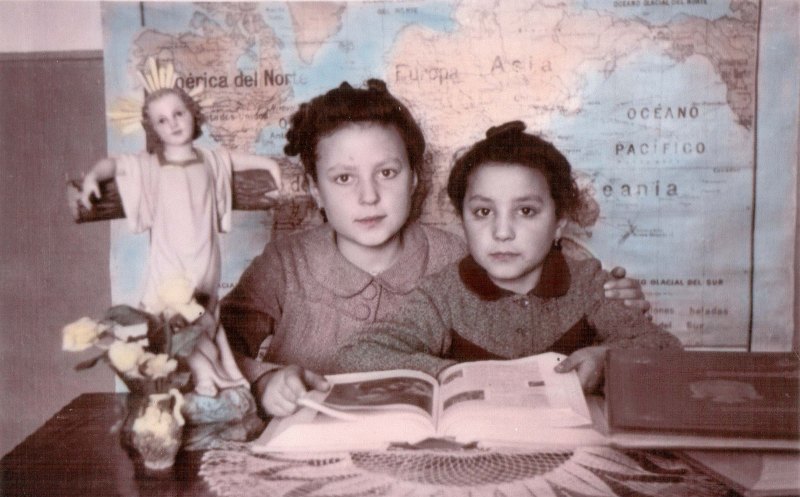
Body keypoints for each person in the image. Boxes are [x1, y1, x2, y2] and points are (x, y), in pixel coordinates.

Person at [219, 81, 649, 417]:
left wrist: (612, 298)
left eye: (387, 172)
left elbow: (538, 285)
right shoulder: (284, 263)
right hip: (303, 444)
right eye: (344, 178)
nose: (369, 197)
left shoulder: (460, 257)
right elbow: (209, 346)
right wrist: (263, 380)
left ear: (414, 178)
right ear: (315, 188)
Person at [335, 121, 681, 392]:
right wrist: (450, 373)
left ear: (559, 222)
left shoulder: (590, 285)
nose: (502, 232)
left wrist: (606, 359)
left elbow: (666, 350)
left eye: (526, 211)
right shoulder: (443, 295)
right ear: (463, 220)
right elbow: (359, 354)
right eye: (483, 212)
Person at [77, 86, 282, 396]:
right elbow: (115, 165)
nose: (172, 123)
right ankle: (206, 376)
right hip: (169, 262)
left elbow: (235, 160)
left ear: (193, 114)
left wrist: (270, 165)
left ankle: (216, 375)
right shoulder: (150, 165)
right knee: (175, 317)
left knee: (204, 317)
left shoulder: (209, 160)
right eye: (162, 120)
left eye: (178, 113)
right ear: (152, 128)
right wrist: (93, 176)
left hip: (204, 260)